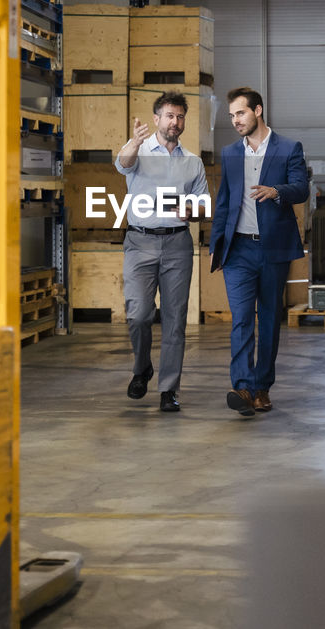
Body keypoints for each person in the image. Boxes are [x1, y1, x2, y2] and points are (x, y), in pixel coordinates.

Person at [209, 87, 309, 417]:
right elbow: (225, 200)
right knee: (241, 319)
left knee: (267, 320)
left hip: (272, 249)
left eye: (240, 113)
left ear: (258, 111)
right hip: (238, 249)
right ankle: (242, 386)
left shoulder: (288, 148)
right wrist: (216, 246)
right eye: (232, 116)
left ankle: (262, 387)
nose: (235, 120)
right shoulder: (230, 153)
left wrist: (276, 191)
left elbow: (301, 188)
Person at [115, 90, 209, 413]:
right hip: (140, 241)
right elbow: (122, 164)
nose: (175, 122)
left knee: (175, 319)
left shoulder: (192, 162)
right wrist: (134, 143)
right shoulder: (138, 152)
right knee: (138, 314)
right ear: (156, 119)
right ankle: (142, 367)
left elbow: (203, 204)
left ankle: (169, 389)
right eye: (169, 116)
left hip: (177, 244)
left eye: (180, 116)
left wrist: (192, 211)